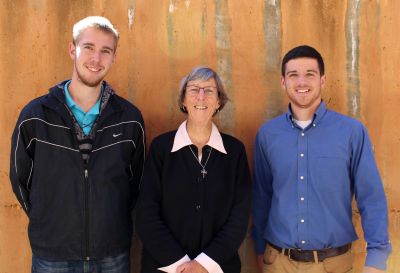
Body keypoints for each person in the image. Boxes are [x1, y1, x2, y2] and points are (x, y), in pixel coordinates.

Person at [9, 16, 145, 273]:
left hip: (111, 254)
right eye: (89, 47)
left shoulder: (129, 118)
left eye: (106, 51)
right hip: (52, 254)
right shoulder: (35, 115)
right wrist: (47, 222)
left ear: (114, 57)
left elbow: (135, 183)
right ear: (73, 49)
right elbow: (20, 180)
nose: (96, 59)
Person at [252, 45, 391, 273]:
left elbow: (371, 197)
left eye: (310, 74)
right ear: (283, 82)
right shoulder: (267, 135)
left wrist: (376, 259)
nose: (302, 82)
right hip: (278, 263)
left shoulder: (351, 132)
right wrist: (259, 250)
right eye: (293, 75)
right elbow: (261, 196)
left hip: (334, 264)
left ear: (323, 80)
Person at [136, 66, 251, 273]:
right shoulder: (161, 148)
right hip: (165, 268)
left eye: (209, 90)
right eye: (194, 89)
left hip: (218, 268)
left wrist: (203, 265)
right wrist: (183, 266)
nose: (201, 96)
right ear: (183, 100)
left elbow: (239, 217)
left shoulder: (235, 152)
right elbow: (146, 214)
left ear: (218, 101)